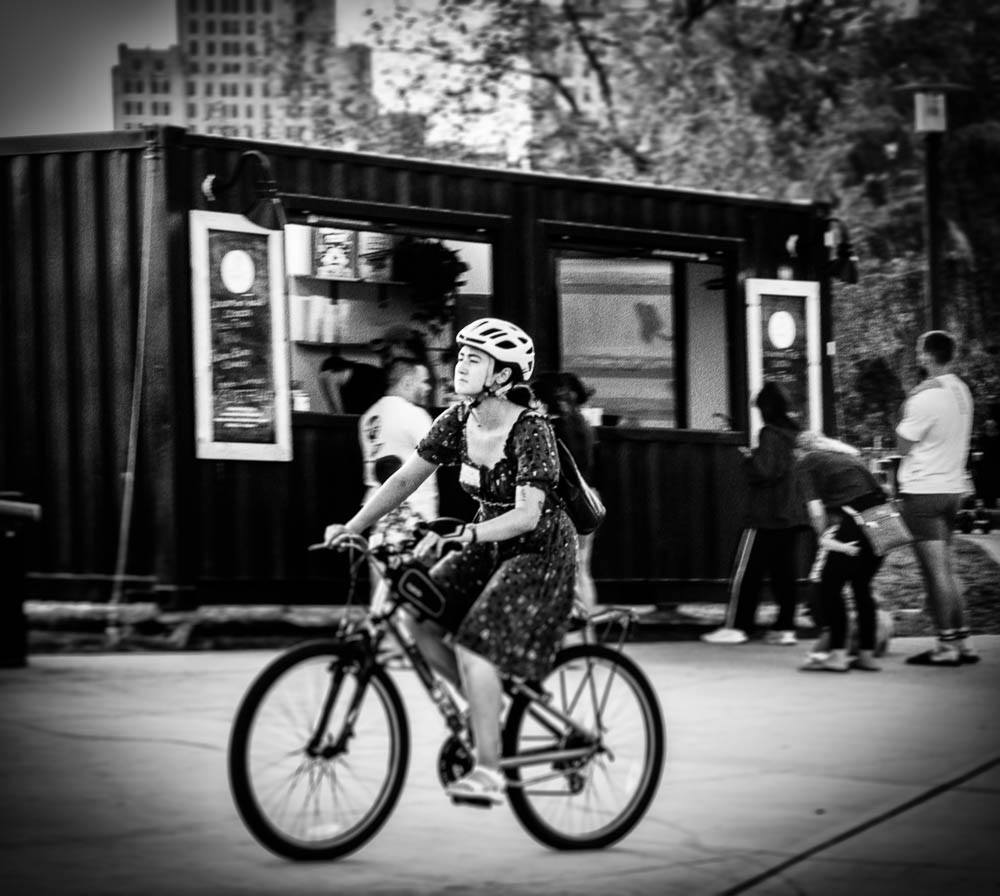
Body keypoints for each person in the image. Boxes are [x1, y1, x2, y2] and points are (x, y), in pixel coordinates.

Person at [324, 318, 578, 805]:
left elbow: (528, 515)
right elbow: (403, 480)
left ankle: (489, 771)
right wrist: (352, 528)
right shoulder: (458, 419)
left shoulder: (532, 430)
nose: (460, 365)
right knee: (417, 616)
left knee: (475, 646)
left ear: (501, 376)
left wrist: (468, 533)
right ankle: (484, 713)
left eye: (474, 358)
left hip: (539, 551)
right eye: (461, 356)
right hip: (487, 541)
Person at [702, 382, 808, 646]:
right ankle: (785, 628)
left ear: (766, 409)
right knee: (784, 574)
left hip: (765, 514)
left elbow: (764, 470)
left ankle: (738, 626)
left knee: (747, 572)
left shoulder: (769, 434)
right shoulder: (795, 435)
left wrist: (748, 458)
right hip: (790, 515)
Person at [895, 330, 977, 666]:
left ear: (928, 356)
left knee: (935, 572)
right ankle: (963, 641)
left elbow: (903, 445)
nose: (917, 356)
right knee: (948, 567)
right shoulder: (962, 391)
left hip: (923, 493)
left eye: (919, 351)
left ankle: (945, 646)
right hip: (952, 489)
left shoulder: (924, 398)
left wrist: (909, 400)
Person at [796, 432, 888, 672]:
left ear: (798, 450)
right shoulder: (847, 458)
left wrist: (823, 537)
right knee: (861, 587)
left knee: (829, 586)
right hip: (885, 520)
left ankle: (837, 654)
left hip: (856, 518)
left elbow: (816, 511)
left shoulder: (806, 461)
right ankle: (866, 655)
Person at [533, 371, 599, 616]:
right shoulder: (583, 424)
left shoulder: (551, 428)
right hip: (589, 500)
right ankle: (587, 629)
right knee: (582, 571)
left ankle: (568, 626)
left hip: (563, 504)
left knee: (559, 571)